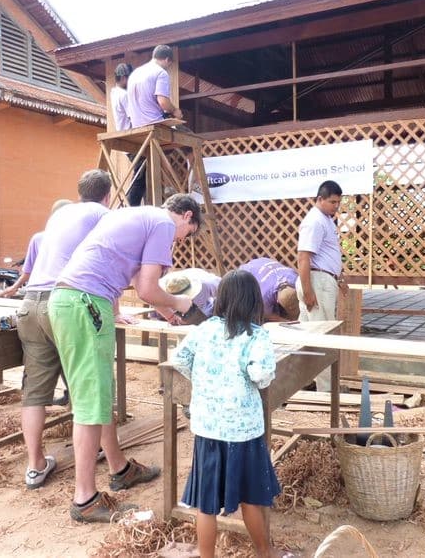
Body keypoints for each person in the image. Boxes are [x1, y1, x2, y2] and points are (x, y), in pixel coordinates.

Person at [48, 193, 201, 523]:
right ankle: (85, 500)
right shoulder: (163, 223)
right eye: (187, 234)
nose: (179, 242)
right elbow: (147, 288)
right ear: (187, 217)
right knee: (92, 404)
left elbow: (133, 279)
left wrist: (165, 310)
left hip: (72, 301)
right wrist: (183, 305)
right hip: (86, 303)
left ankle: (119, 469)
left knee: (98, 394)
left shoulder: (138, 215)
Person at [172, 270, 282, 558]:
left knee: (206, 504)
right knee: (250, 499)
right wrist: (255, 376)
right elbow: (262, 374)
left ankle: (206, 554)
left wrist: (202, 378)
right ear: (253, 302)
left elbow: (180, 358)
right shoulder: (257, 335)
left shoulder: (204, 329)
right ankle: (264, 552)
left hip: (208, 428)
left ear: (221, 300)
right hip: (243, 431)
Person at [15, 177, 109, 490]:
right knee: (87, 383)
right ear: (107, 196)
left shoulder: (57, 217)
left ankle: (35, 465)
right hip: (65, 302)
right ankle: (96, 452)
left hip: (30, 305)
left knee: (35, 391)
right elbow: (102, 262)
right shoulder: (100, 215)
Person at [296, 180, 348, 392]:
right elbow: (303, 258)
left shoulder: (326, 220)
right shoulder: (315, 221)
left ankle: (303, 383)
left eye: (338, 202)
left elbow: (329, 254)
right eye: (332, 202)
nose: (336, 206)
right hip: (317, 282)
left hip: (323, 280)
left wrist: (340, 278)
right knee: (323, 337)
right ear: (320, 199)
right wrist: (309, 292)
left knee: (306, 337)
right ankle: (326, 391)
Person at [125, 44, 182, 207]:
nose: (168, 67)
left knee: (140, 173)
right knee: (187, 138)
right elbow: (163, 103)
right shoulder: (160, 73)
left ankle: (167, 187)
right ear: (166, 59)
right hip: (154, 126)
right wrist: (176, 111)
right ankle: (173, 185)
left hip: (136, 128)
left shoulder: (136, 73)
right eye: (169, 64)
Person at [0, 199, 72, 300]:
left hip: (33, 296)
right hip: (60, 294)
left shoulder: (38, 238)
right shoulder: (75, 238)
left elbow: (27, 272)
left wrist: (13, 288)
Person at [239, 257, 300, 322]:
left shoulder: (295, 279)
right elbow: (267, 315)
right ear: (278, 300)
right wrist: (287, 321)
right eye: (291, 308)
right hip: (246, 274)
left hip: (264, 264)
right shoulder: (263, 295)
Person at [110, 63, 132, 132]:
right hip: (130, 132)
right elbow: (132, 116)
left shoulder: (113, 93)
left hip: (121, 132)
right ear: (123, 78)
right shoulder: (124, 94)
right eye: (129, 78)